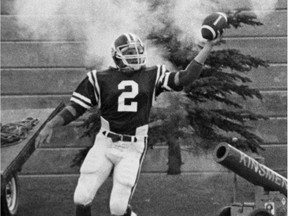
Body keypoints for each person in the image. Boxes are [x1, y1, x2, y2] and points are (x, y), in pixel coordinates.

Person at [35, 32, 221, 216]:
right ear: (117, 56)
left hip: (132, 146)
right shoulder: (98, 78)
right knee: (81, 196)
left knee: (117, 208)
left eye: (137, 51)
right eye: (130, 52)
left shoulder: (152, 74)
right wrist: (51, 124)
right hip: (105, 143)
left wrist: (207, 47)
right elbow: (76, 108)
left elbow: (185, 78)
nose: (135, 56)